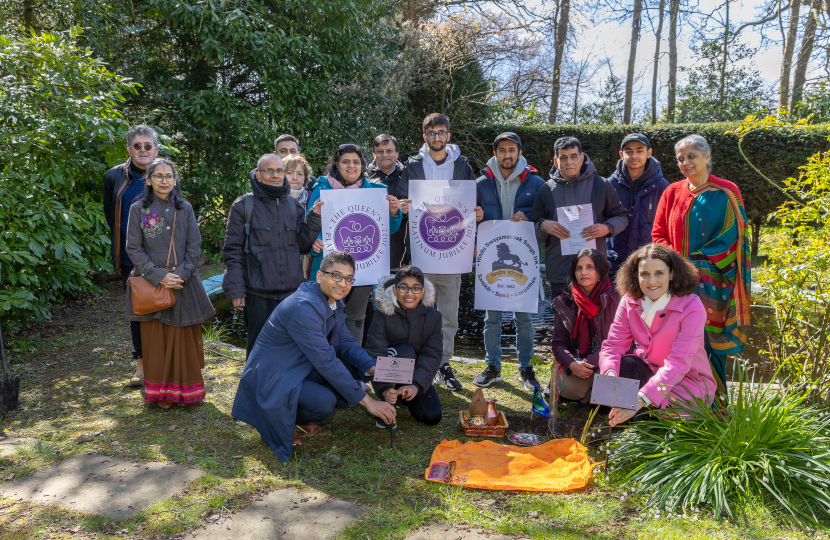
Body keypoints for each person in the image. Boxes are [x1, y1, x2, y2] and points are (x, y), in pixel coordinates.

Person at [231, 251, 397, 462]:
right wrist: (369, 403)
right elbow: (326, 361)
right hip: (273, 377)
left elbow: (345, 342)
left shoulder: (330, 300)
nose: (343, 283)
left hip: (297, 366)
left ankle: (300, 418)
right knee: (324, 403)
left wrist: (374, 369)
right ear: (320, 276)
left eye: (348, 279)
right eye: (336, 276)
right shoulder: (304, 307)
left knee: (346, 370)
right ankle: (277, 419)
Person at [652, 134, 751, 406]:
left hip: (713, 281)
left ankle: (717, 409)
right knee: (676, 344)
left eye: (691, 156)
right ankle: (679, 409)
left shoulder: (725, 191)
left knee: (708, 344)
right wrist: (674, 264)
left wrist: (696, 261)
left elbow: (735, 235)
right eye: (681, 158)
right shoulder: (672, 192)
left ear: (707, 156)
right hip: (675, 283)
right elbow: (659, 232)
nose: (685, 162)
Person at [125, 158, 215, 408]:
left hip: (183, 282)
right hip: (152, 283)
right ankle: (161, 394)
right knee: (156, 340)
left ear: (175, 180)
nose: (164, 181)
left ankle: (186, 393)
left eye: (169, 176)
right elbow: (133, 248)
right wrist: (158, 276)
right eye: (159, 176)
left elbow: (194, 246)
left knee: (182, 338)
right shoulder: (138, 210)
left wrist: (182, 274)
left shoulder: (184, 208)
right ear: (149, 180)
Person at [399, 113, 478, 392]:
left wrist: (476, 215)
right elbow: (399, 198)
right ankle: (421, 363)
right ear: (425, 136)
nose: (436, 137)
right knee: (418, 310)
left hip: (452, 250)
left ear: (448, 134)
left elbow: (470, 204)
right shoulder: (412, 166)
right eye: (431, 133)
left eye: (441, 132)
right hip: (421, 251)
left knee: (448, 312)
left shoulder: (463, 166)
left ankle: (443, 363)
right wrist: (402, 205)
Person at [599, 243, 717, 426]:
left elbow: (678, 363)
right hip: (650, 372)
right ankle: (628, 421)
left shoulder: (692, 307)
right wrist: (610, 373)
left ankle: (641, 418)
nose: (651, 282)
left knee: (664, 418)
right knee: (624, 366)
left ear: (671, 274)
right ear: (635, 276)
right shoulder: (628, 301)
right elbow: (613, 345)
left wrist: (641, 398)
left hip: (688, 381)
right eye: (644, 274)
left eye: (659, 273)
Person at [222, 154, 322, 358]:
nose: (275, 175)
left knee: (291, 350)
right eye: (269, 171)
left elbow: (302, 245)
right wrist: (236, 290)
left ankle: (287, 390)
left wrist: (314, 217)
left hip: (291, 294)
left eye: (279, 171)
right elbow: (233, 251)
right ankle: (256, 389)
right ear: (258, 175)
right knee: (259, 351)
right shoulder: (243, 206)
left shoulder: (294, 206)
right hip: (258, 294)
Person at [306, 144, 404, 344]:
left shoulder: (376, 191)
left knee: (356, 319)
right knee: (324, 318)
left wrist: (394, 213)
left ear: (363, 165)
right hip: (328, 267)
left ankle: (352, 369)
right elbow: (309, 225)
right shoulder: (321, 189)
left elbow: (390, 230)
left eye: (356, 162)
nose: (351, 166)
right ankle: (325, 367)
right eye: (346, 161)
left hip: (362, 268)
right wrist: (313, 241)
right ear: (336, 164)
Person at [473, 132, 546, 390]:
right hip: (489, 257)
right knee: (491, 317)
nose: (507, 155)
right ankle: (493, 366)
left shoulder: (536, 182)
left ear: (519, 152)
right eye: (502, 150)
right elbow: (470, 219)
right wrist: (475, 220)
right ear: (495, 153)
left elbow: (545, 219)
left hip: (524, 256)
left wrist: (528, 217)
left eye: (511, 150)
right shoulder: (481, 183)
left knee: (523, 318)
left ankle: (526, 369)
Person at [530, 136, 629, 297]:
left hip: (593, 271)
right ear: (556, 162)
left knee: (596, 320)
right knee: (563, 321)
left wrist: (607, 228)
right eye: (563, 157)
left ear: (582, 158)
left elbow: (622, 217)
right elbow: (532, 229)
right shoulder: (546, 190)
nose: (569, 162)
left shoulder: (601, 184)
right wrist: (543, 226)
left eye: (573, 156)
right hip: (560, 273)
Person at [103, 124, 160, 387]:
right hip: (131, 259)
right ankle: (141, 363)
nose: (143, 150)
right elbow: (110, 216)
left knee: (165, 307)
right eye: (137, 146)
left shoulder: (165, 174)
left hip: (162, 258)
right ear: (129, 149)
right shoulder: (114, 176)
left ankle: (164, 361)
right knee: (137, 311)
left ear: (156, 149)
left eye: (147, 145)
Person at [365, 266, 443, 428]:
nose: (409, 294)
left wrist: (416, 385)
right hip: (390, 370)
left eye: (415, 289)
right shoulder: (382, 314)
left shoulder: (433, 316)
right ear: (394, 290)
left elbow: (432, 354)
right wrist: (385, 389)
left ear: (422, 292)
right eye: (403, 288)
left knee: (431, 416)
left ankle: (405, 395)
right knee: (404, 351)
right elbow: (375, 352)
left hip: (415, 374)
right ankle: (388, 402)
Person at [551, 249, 621, 402]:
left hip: (610, 361)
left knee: (612, 392)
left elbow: (622, 343)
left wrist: (590, 363)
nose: (583, 272)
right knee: (566, 390)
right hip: (578, 362)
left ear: (600, 270)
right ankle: (591, 396)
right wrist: (571, 364)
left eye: (590, 267)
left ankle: (596, 396)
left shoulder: (617, 298)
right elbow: (558, 343)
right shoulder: (564, 301)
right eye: (579, 268)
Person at [606, 133, 669, 274]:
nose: (634, 155)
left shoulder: (662, 187)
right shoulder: (609, 185)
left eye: (639, 151)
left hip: (649, 264)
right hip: (615, 264)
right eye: (629, 151)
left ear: (649, 153)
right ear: (621, 154)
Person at [366, 134, 408, 270]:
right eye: (380, 151)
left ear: (397, 153)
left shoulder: (408, 177)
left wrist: (406, 210)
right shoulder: (362, 179)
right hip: (368, 254)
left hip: (401, 256)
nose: (385, 155)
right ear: (373, 154)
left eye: (389, 151)